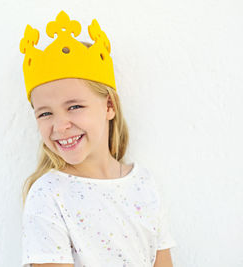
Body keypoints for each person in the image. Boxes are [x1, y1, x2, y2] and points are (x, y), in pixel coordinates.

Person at [19, 10, 177, 267]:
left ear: (109, 106)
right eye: (45, 113)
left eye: (74, 107)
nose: (60, 126)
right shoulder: (48, 196)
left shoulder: (143, 184)